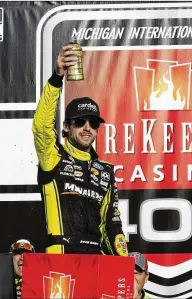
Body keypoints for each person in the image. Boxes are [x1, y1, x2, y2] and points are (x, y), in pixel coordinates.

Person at [32, 43, 128, 256]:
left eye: (93, 123)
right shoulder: (53, 157)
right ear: (66, 126)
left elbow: (113, 225)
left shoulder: (105, 171)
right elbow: (41, 127)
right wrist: (57, 78)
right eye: (80, 122)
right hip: (61, 256)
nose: (87, 128)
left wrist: (123, 264)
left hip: (96, 259)